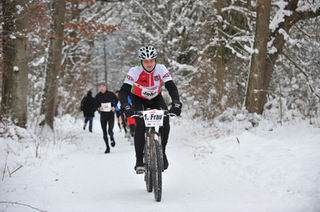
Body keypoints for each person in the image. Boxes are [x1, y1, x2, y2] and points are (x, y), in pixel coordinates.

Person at [119, 45, 182, 173]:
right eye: (146, 61)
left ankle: (162, 152)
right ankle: (139, 161)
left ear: (155, 60)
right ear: (141, 62)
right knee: (140, 125)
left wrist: (176, 102)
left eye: (151, 60)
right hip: (138, 98)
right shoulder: (134, 71)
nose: (149, 64)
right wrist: (126, 105)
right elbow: (124, 91)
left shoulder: (161, 69)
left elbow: (171, 87)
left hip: (155, 98)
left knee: (165, 121)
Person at [95, 82, 118, 154]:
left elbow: (116, 100)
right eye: (100, 87)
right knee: (104, 133)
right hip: (103, 116)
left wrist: (114, 106)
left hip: (110, 115)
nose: (101, 88)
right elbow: (95, 104)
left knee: (110, 130)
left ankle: (111, 138)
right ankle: (107, 147)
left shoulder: (111, 94)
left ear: (106, 87)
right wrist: (98, 108)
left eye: (103, 86)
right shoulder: (98, 96)